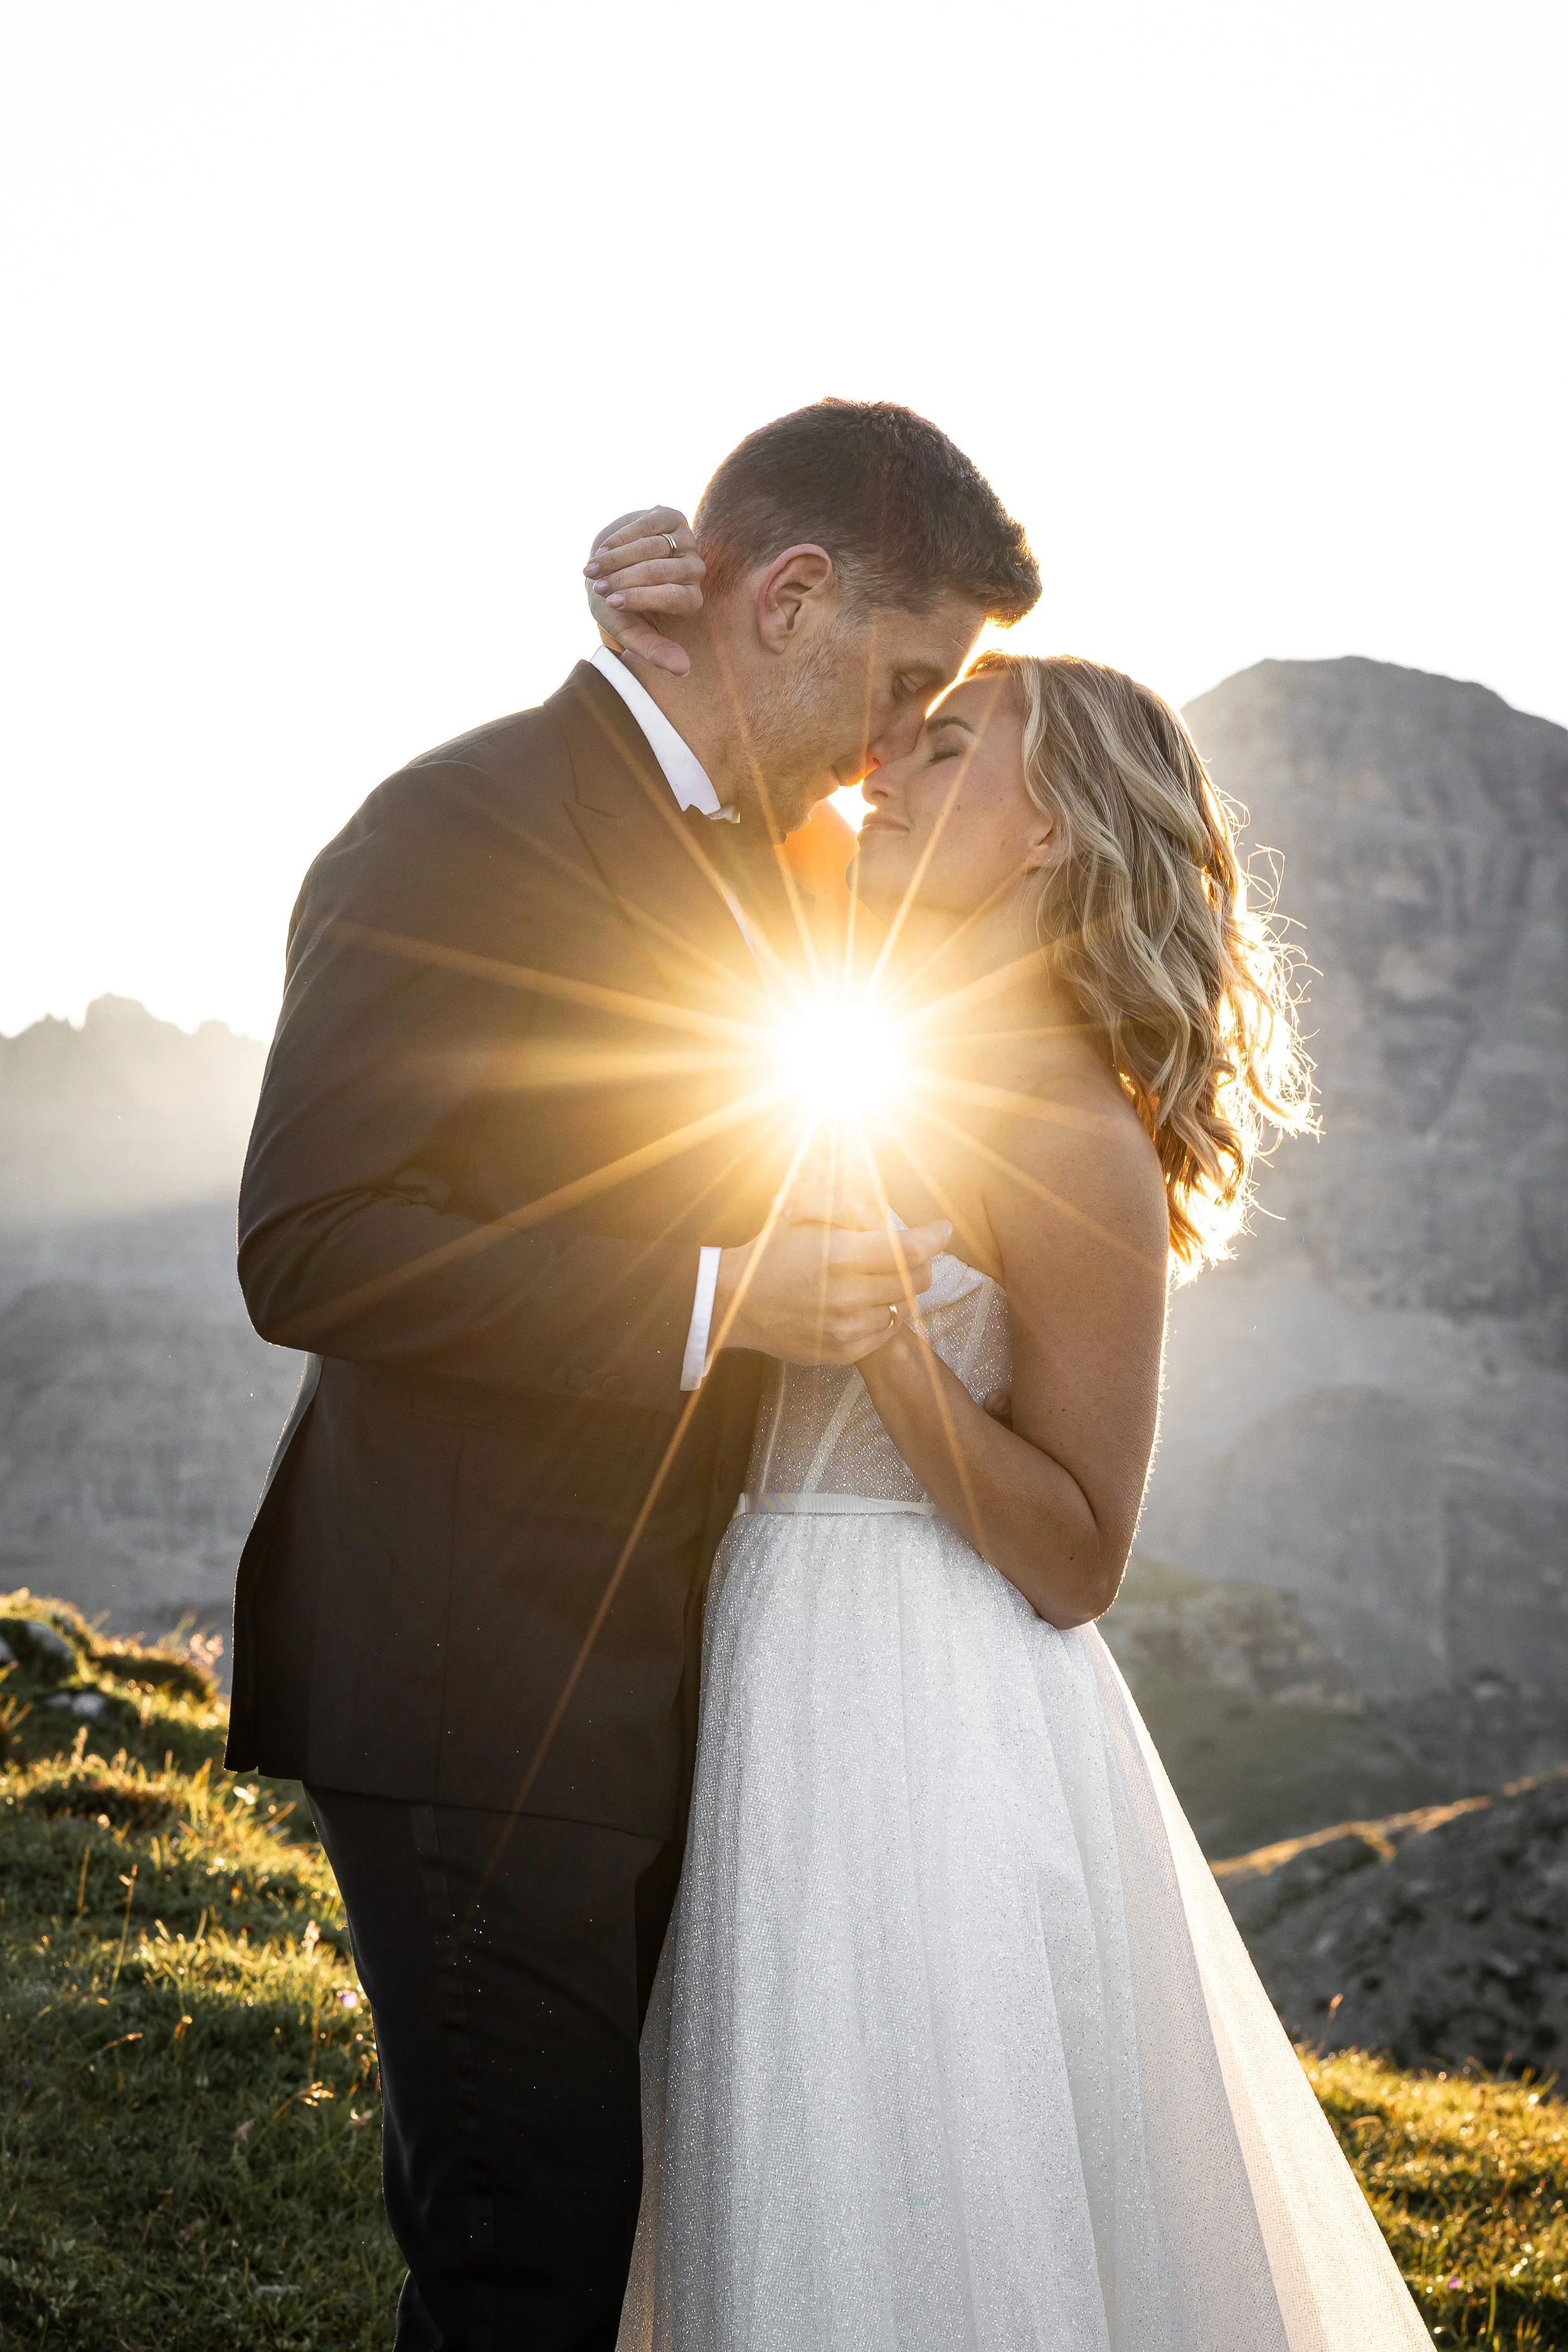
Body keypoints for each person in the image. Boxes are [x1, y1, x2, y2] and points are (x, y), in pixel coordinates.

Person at [226, 400, 1041, 2348]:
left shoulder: (774, 851)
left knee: (588, 2237)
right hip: (473, 1673)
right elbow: (306, 1241)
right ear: (792, 597)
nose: (899, 736)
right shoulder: (453, 823)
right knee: (525, 2256)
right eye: (904, 674)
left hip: (650, 1680)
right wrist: (710, 1301)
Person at [585, 532, 1433, 2348]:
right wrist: (669, 654)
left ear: (1048, 832)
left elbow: (1076, 1553)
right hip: (750, 1668)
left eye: (949, 748)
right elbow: (686, 843)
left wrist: (885, 1345)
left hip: (930, 1723)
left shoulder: (1068, 1132)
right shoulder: (865, 1023)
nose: (889, 766)